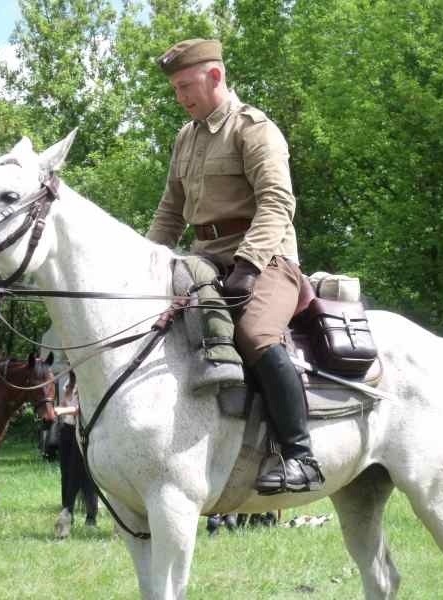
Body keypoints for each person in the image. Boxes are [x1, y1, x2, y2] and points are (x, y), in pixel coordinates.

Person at [146, 38, 323, 494]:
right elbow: (169, 212)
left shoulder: (254, 128)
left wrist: (247, 264)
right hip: (203, 259)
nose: (181, 96)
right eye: (175, 89)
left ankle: (301, 456)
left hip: (269, 259)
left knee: (254, 335)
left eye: (187, 85)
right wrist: (143, 264)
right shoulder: (185, 138)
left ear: (216, 76)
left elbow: (278, 202)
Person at [56, 370, 98, 536]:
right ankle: (67, 513)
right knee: (66, 475)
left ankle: (91, 517)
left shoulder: (89, 381)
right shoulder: (69, 382)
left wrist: (60, 410)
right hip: (66, 431)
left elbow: (81, 409)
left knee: (83, 476)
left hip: (81, 432)